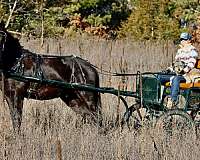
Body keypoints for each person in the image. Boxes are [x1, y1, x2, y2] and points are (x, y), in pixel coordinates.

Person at [166, 32, 198, 108]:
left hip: (187, 75)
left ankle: (173, 100)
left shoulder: (192, 51)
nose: (182, 41)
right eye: (181, 39)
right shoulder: (180, 51)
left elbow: (191, 63)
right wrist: (169, 70)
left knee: (176, 79)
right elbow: (175, 64)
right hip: (177, 72)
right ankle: (159, 99)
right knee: (159, 77)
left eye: (184, 39)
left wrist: (184, 70)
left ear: (189, 40)